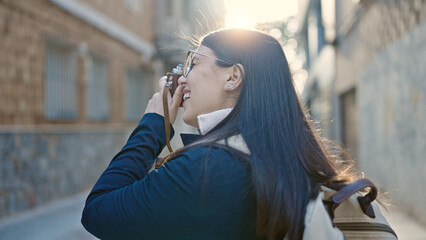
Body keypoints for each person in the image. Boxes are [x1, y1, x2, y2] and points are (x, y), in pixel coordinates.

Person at [81, 28, 355, 240]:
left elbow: (97, 211)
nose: (183, 78)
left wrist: (153, 123)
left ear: (233, 77)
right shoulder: (283, 154)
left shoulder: (207, 168)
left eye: (194, 63)